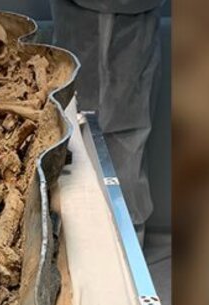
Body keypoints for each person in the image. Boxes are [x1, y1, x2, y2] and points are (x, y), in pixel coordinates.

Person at [52, 0, 163, 233]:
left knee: (127, 145)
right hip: (80, 30)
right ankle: (74, 236)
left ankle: (127, 237)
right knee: (71, 139)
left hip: (133, 39)